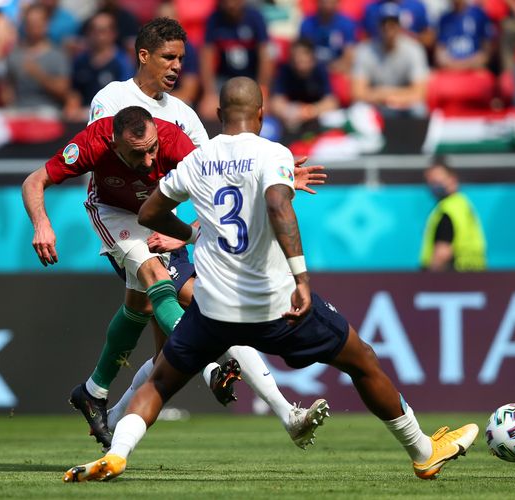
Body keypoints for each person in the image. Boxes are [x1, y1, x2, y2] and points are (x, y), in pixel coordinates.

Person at [63, 77, 478, 483]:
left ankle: (117, 455)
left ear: (220, 114)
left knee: (159, 383)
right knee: (362, 360)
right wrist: (301, 277)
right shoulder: (272, 152)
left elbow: (150, 213)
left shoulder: (196, 160)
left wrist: (189, 233)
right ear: (260, 114)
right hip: (275, 305)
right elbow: (278, 206)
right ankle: (423, 452)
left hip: (213, 309)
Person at [71, 17, 327, 451]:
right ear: (144, 55)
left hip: (161, 228)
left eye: (182, 59)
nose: (176, 67)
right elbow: (110, 160)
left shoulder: (184, 115)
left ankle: (108, 412)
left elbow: (213, 172)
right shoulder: (112, 99)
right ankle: (264, 398)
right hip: (120, 220)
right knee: (205, 306)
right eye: (169, 57)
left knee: (164, 349)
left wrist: (274, 175)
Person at [351, 2, 430, 116]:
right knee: (358, 109)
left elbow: (420, 93)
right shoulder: (365, 51)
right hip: (376, 104)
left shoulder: (413, 49)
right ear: (378, 26)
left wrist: (388, 95)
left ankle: (412, 134)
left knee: (419, 109)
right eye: (384, 23)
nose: (388, 28)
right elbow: (357, 93)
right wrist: (383, 97)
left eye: (392, 23)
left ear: (400, 26)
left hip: (402, 103)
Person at [198, 0, 272, 120]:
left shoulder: (255, 17)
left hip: (251, 78)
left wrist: (263, 89)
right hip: (224, 80)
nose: (231, 5)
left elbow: (266, 56)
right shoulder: (214, 19)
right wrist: (209, 93)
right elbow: (206, 56)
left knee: (264, 109)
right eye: (226, 2)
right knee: (208, 109)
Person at [64, 11, 134, 122]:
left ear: (113, 33)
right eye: (93, 30)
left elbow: (125, 98)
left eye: (102, 31)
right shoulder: (80, 61)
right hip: (82, 117)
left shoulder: (122, 62)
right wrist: (71, 110)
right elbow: (74, 92)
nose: (97, 35)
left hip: (112, 117)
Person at [1, 3, 71, 115]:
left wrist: (38, 75)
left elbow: (63, 90)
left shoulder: (58, 55)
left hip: (48, 110)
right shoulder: (14, 54)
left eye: (38, 23)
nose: (34, 27)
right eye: (31, 23)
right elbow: (7, 89)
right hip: (18, 110)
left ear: (46, 24)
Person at [419, 157, 486, 272]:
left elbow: (442, 253)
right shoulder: (463, 204)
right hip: (474, 274)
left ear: (452, 179)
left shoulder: (447, 211)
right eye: (431, 182)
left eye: (438, 181)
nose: (434, 186)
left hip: (451, 277)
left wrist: (425, 280)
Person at [270, 38, 338, 132]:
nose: (299, 64)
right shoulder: (285, 71)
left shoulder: (320, 70)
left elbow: (331, 102)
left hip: (315, 116)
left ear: (312, 59)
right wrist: (291, 111)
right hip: (291, 118)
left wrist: (309, 111)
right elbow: (276, 103)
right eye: (295, 59)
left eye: (303, 59)